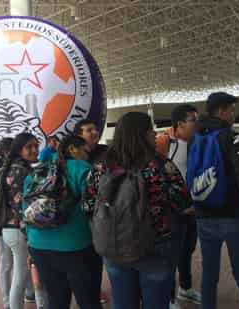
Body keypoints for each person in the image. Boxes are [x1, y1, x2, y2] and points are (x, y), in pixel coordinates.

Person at [83, 112, 192, 309]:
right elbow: (183, 203)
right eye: (150, 130)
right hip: (154, 245)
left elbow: (88, 206)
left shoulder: (101, 167)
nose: (154, 134)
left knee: (124, 303)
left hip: (114, 245)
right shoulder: (159, 165)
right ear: (142, 134)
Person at [195, 92, 239, 309]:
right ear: (222, 111)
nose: (234, 114)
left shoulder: (196, 137)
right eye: (232, 110)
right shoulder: (232, 137)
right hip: (232, 215)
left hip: (204, 215)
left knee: (209, 273)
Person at [24, 135, 102, 309]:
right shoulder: (82, 168)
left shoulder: (38, 170)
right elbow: (96, 206)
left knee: (56, 300)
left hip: (39, 246)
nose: (87, 155)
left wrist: (30, 245)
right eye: (85, 151)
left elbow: (26, 212)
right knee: (89, 300)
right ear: (73, 150)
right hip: (76, 246)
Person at [156, 105, 201, 309]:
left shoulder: (196, 142)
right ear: (180, 123)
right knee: (170, 255)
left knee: (187, 250)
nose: (197, 123)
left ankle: (186, 287)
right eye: (193, 119)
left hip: (193, 209)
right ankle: (168, 298)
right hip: (172, 211)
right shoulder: (163, 142)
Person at [1, 133, 40, 309]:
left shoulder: (10, 169)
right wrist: (31, 234)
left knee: (20, 273)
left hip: (8, 229)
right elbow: (23, 207)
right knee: (22, 275)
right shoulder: (22, 171)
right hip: (20, 229)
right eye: (29, 147)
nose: (34, 150)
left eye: (36, 145)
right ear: (19, 150)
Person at [74, 119, 109, 304]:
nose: (94, 132)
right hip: (80, 215)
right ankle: (89, 290)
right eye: (89, 130)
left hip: (101, 212)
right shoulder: (74, 157)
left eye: (95, 129)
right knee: (85, 255)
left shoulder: (105, 151)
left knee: (98, 253)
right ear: (79, 136)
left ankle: (95, 288)